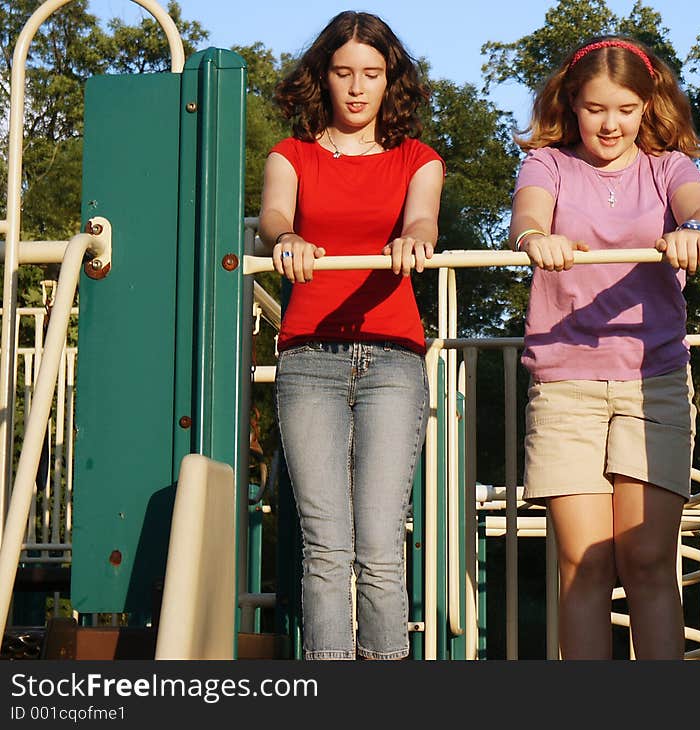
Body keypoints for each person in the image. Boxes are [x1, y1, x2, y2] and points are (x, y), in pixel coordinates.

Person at [509, 36, 700, 659]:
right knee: (584, 562)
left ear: (646, 106)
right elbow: (527, 213)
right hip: (565, 378)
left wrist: (692, 232)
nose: (611, 124)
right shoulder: (549, 164)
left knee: (648, 559)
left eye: (626, 109)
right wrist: (534, 237)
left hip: (650, 377)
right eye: (597, 108)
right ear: (573, 103)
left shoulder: (667, 167)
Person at [258, 10, 444, 660]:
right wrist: (287, 239)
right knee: (325, 544)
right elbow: (274, 213)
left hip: (393, 361)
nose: (358, 88)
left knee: (379, 540)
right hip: (310, 359)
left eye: (372, 73)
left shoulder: (418, 159)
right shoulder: (294, 154)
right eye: (345, 73)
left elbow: (423, 220)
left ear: (391, 80)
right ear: (324, 77)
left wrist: (412, 241)